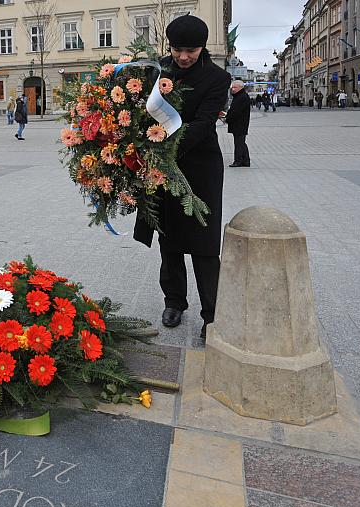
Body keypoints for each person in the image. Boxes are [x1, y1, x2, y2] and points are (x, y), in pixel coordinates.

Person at [133, 14, 232, 340]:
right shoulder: (158, 71)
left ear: (202, 47)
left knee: (204, 246)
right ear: (170, 46)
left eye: (191, 50)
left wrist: (164, 146)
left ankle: (212, 314)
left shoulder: (217, 78)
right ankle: (174, 301)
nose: (184, 56)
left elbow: (205, 124)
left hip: (201, 168)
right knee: (169, 240)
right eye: (178, 49)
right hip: (163, 169)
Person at [226, 80, 251, 167]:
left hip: (239, 124)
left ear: (240, 87)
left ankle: (238, 161)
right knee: (241, 142)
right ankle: (246, 161)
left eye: (235, 87)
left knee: (239, 143)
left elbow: (235, 112)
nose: (232, 89)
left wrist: (227, 118)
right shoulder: (239, 96)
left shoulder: (241, 97)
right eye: (232, 87)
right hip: (239, 123)